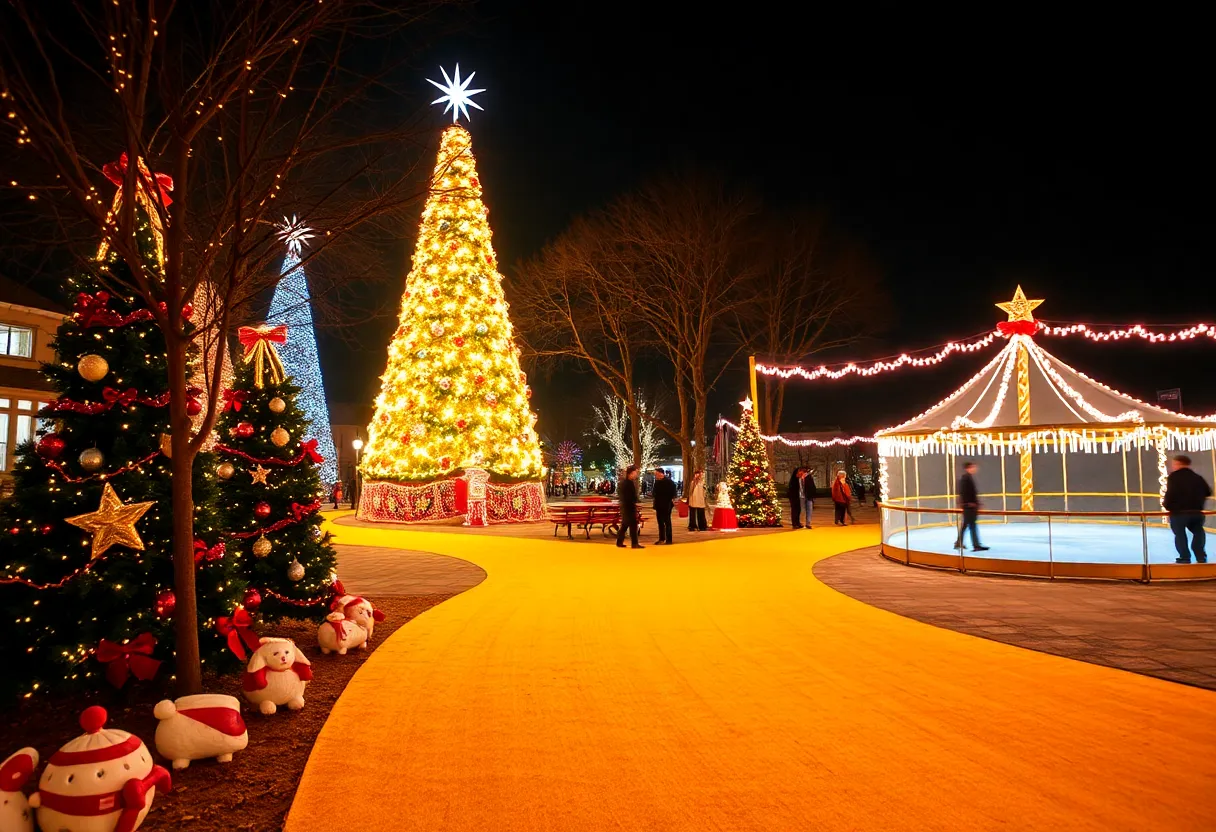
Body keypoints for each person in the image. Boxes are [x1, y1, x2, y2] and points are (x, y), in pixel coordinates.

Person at [1164, 454, 1211, 563]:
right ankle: (1200, 555)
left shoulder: (1174, 477)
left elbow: (1171, 493)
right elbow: (1208, 491)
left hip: (1178, 512)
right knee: (1198, 532)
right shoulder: (1197, 477)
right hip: (1196, 512)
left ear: (1178, 464)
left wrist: (1167, 505)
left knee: (1180, 534)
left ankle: (1185, 557)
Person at [953, 460, 989, 552]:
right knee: (972, 526)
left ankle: (959, 543)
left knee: (966, 525)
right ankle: (976, 545)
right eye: (973, 467)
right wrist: (969, 503)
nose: (975, 468)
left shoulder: (967, 478)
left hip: (969, 506)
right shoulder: (966, 479)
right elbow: (965, 492)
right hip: (969, 507)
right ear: (968, 468)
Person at [615, 465, 644, 549]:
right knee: (633, 525)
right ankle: (634, 543)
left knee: (625, 525)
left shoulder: (625, 483)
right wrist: (634, 501)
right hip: (628, 507)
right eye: (635, 472)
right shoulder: (627, 483)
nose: (636, 474)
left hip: (626, 507)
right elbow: (628, 496)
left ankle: (619, 542)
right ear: (630, 473)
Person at [651, 467, 677, 545]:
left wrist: (671, 501)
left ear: (660, 473)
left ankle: (669, 539)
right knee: (660, 522)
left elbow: (673, 494)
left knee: (667, 522)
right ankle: (661, 538)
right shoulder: (657, 482)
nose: (655, 475)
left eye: (656, 474)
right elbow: (654, 493)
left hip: (666, 505)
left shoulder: (669, 482)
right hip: (658, 505)